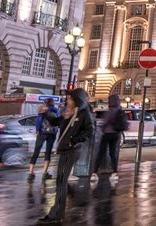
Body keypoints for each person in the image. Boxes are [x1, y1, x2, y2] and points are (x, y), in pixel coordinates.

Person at [38, 88, 94, 224]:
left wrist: (73, 141)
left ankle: (56, 214)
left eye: (70, 98)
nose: (67, 100)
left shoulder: (84, 114)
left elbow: (89, 131)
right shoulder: (69, 112)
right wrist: (46, 114)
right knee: (60, 182)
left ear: (76, 100)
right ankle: (56, 212)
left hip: (71, 151)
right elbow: (56, 121)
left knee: (61, 182)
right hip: (64, 150)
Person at [94, 94, 126, 175]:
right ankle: (115, 171)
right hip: (116, 134)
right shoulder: (119, 110)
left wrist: (102, 128)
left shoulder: (111, 110)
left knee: (101, 152)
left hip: (107, 133)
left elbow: (105, 121)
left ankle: (95, 171)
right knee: (112, 153)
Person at [29, 97, 59, 179]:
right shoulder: (56, 110)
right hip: (52, 134)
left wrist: (38, 130)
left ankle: (31, 172)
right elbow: (58, 120)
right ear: (52, 103)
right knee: (48, 152)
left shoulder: (42, 110)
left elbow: (38, 120)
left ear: (45, 103)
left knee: (36, 151)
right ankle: (45, 173)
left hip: (42, 133)